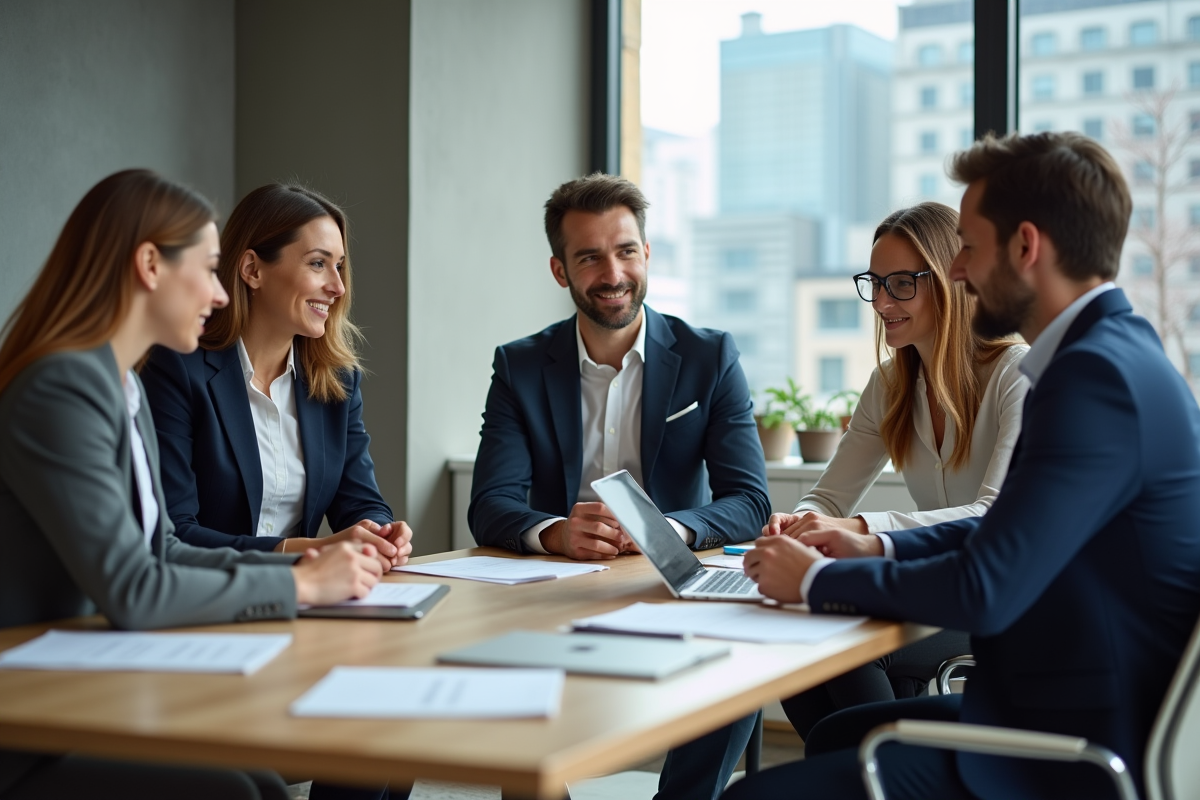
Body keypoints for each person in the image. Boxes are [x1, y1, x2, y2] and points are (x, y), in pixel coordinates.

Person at [730, 132, 1200, 800]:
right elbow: (1004, 527)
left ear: (1026, 247)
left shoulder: (1090, 379)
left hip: (1072, 748)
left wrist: (820, 580)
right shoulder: (1112, 356)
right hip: (1058, 708)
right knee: (839, 736)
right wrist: (868, 543)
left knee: (751, 796)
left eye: (969, 248)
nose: (959, 272)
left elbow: (987, 585)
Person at [0, 170, 384, 799]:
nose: (219, 293)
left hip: (89, 678)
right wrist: (300, 581)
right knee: (236, 787)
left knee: (262, 779)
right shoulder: (60, 389)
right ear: (149, 265)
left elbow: (165, 549)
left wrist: (306, 569)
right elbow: (133, 587)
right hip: (36, 714)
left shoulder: (118, 383)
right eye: (209, 271)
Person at [468, 173, 771, 800]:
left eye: (626, 250)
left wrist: (670, 531)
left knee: (743, 656)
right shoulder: (520, 366)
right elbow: (491, 505)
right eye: (590, 257)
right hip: (553, 590)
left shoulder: (710, 356)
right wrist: (553, 532)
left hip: (663, 583)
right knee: (500, 666)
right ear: (560, 270)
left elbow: (750, 500)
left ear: (647, 254)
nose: (613, 272)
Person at [765, 202, 1029, 740]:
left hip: (997, 598)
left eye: (902, 283)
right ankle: (860, 775)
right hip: (925, 587)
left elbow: (992, 515)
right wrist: (797, 522)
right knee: (794, 642)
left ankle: (883, 771)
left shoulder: (1015, 374)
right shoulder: (890, 384)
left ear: (951, 279)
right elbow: (829, 498)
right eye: (876, 282)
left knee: (851, 652)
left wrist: (859, 530)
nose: (882, 301)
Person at [141, 184, 412, 571]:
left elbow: (360, 499)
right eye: (318, 264)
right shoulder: (176, 368)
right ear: (252, 269)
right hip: (207, 602)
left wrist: (379, 534)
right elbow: (173, 532)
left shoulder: (337, 380)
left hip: (309, 601)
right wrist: (304, 551)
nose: (337, 287)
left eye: (339, 266)